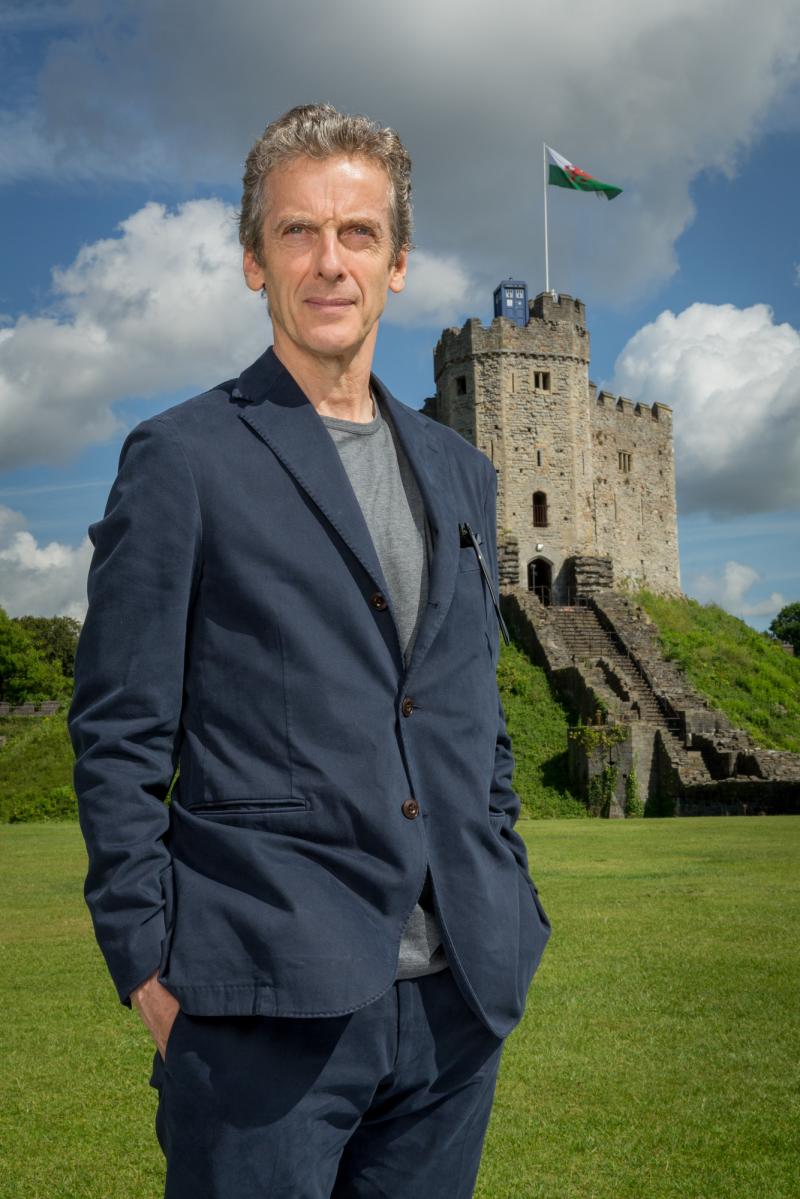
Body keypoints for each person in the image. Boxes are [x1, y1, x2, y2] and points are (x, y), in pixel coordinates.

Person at [68, 102, 551, 1199]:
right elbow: (118, 730)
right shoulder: (182, 457)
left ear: (397, 263)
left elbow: (469, 708)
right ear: (255, 260)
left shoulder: (460, 471)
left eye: (358, 232)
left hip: (454, 1007)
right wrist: (145, 961)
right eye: (298, 231)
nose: (329, 260)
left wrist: (508, 888)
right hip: (259, 1006)